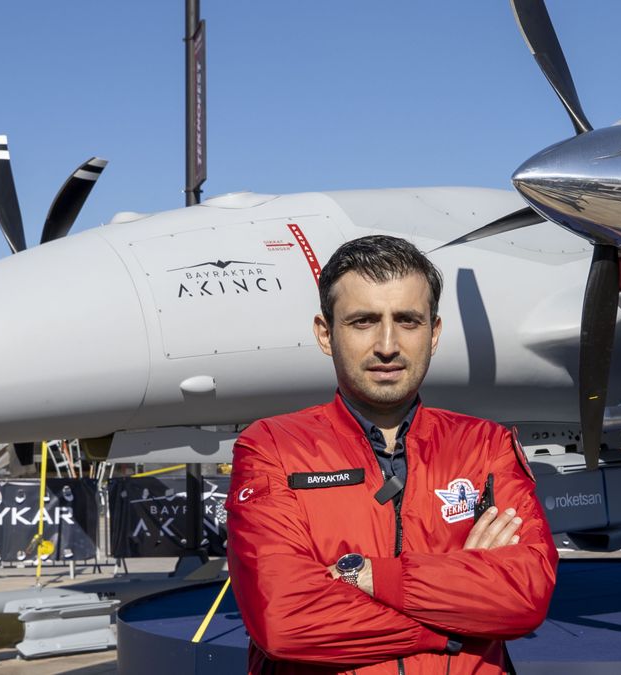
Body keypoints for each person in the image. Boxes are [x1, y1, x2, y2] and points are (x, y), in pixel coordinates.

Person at [227, 235, 558, 674]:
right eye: (363, 321)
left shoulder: (486, 445)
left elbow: (524, 596)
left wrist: (370, 578)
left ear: (433, 332)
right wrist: (450, 625)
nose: (387, 344)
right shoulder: (271, 446)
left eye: (408, 321)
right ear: (326, 334)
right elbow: (284, 620)